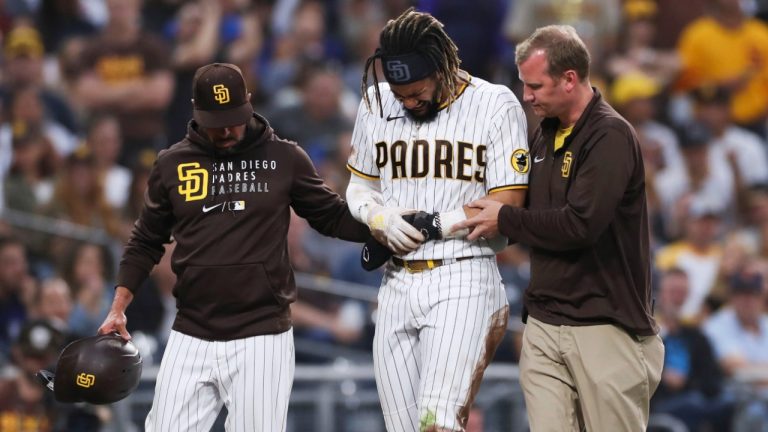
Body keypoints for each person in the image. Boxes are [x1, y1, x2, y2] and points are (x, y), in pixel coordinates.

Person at [97, 62, 370, 432]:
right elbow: (146, 241)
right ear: (195, 111)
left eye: (233, 117)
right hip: (191, 328)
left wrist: (382, 229)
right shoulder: (173, 163)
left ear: (249, 103)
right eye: (215, 120)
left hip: (262, 332)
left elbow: (332, 216)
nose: (226, 129)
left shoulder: (284, 157)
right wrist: (118, 306)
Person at [453, 25, 664, 431]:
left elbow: (580, 224)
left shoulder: (610, 135)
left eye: (535, 85)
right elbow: (530, 212)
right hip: (545, 322)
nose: (526, 96)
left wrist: (506, 218)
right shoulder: (545, 134)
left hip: (606, 328)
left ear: (570, 79)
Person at [346, 9, 528, 431]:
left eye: (417, 91)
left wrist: (434, 224)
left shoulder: (493, 103)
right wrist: (378, 216)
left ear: (443, 67)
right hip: (395, 283)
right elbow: (358, 188)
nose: (408, 101)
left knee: (438, 422)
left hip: (462, 275)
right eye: (400, 92)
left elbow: (507, 203)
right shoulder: (377, 103)